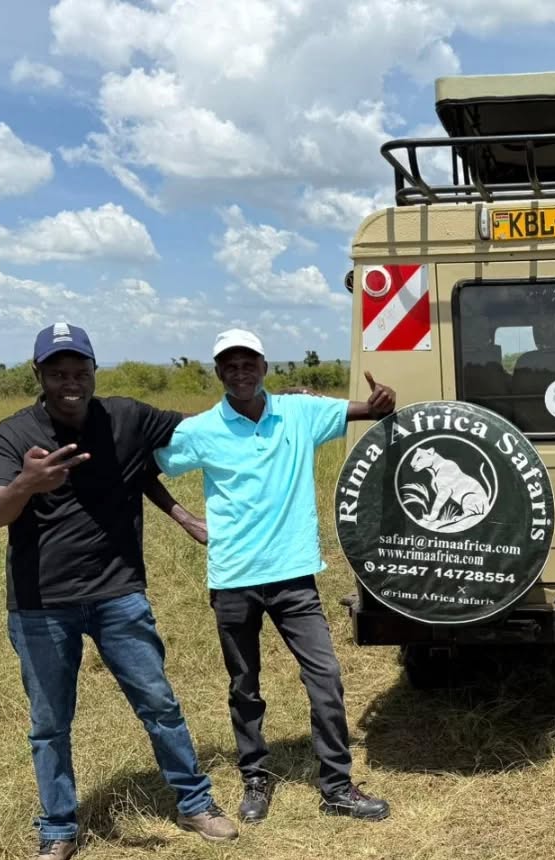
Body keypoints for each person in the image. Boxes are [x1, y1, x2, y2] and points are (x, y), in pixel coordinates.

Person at [0, 322, 238, 860]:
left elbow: (200, 428)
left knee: (159, 703)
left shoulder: (126, 417)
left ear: (94, 371)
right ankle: (57, 830)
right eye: (57, 373)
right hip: (41, 603)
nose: (70, 382)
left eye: (79, 371)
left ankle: (195, 803)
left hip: (119, 594)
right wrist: (27, 482)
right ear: (38, 374)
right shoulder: (13, 433)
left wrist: (285, 403)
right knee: (49, 724)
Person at [155, 329, 396, 823]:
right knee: (245, 684)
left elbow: (368, 412)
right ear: (219, 373)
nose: (240, 373)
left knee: (325, 677)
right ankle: (255, 778)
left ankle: (336, 786)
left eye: (249, 364)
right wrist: (185, 518)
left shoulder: (298, 413)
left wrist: (381, 403)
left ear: (264, 367)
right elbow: (144, 466)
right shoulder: (202, 430)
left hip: (294, 576)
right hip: (233, 578)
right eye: (230, 366)